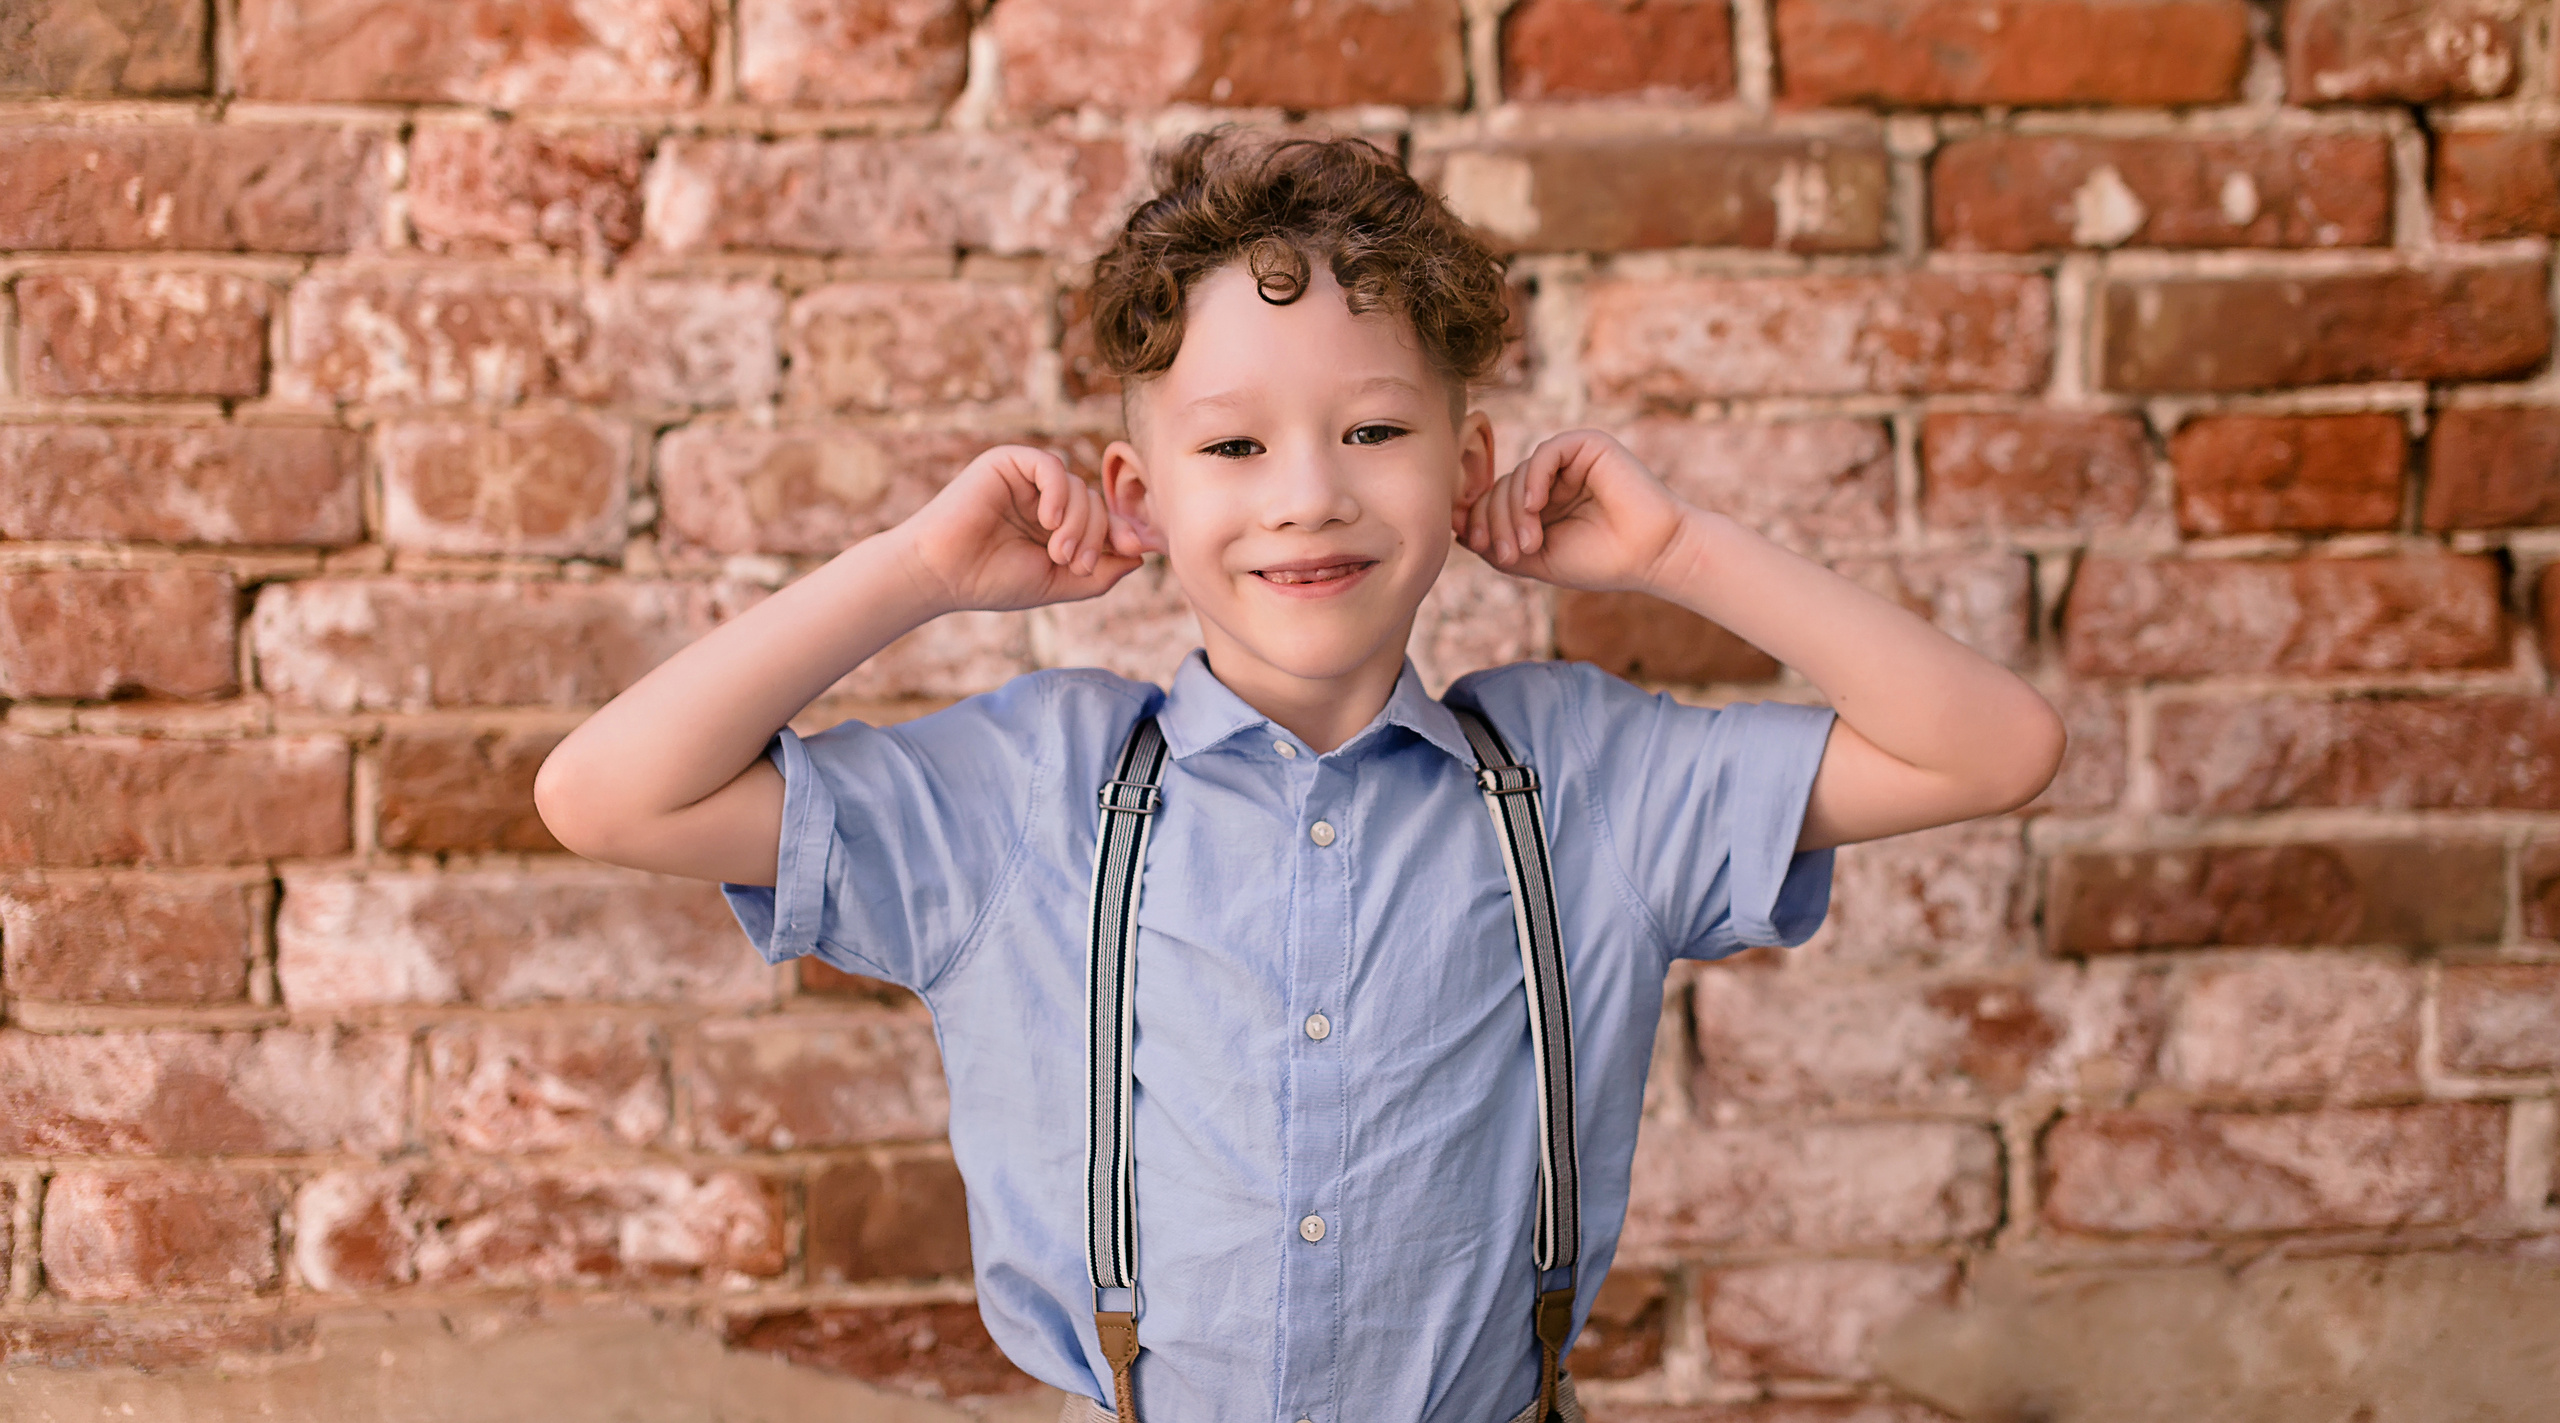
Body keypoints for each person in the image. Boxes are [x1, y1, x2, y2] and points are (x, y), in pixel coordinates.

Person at [534, 129, 2067, 1423]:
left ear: (1465, 471)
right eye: (1235, 449)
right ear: (1139, 493)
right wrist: (915, 572)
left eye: (1377, 428)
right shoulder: (1030, 796)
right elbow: (608, 797)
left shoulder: (1580, 780)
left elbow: (1993, 749)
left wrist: (1678, 552)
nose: (1312, 497)